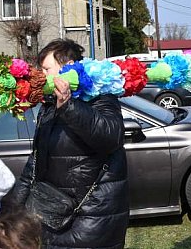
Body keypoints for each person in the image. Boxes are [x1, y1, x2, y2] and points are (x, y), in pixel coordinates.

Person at [10, 39, 129, 248]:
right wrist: (12, 210)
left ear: (68, 66)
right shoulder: (49, 105)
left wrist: (68, 105)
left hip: (91, 217)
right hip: (54, 213)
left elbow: (111, 137)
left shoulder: (100, 97)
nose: (43, 75)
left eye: (47, 69)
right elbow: (35, 164)